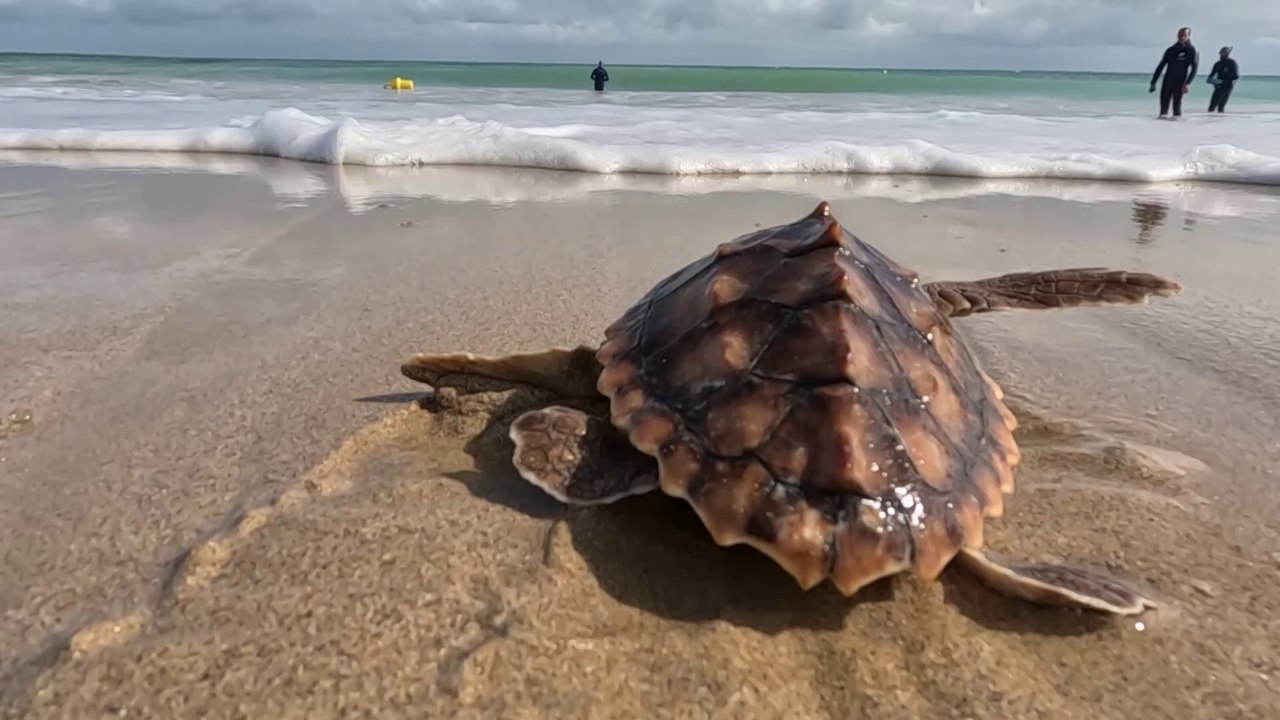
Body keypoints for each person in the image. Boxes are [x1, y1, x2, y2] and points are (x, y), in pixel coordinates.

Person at [1149, 27, 1199, 118]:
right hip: (1168, 80)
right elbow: (1160, 66)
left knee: (1176, 105)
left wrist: (1187, 83)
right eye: (1180, 35)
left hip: (1180, 81)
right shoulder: (1171, 50)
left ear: (1188, 36)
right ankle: (1162, 128)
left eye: (1184, 35)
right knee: (1163, 106)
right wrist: (1153, 82)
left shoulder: (1192, 50)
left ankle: (1177, 128)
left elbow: (1194, 69)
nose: (1181, 37)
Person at [1206, 46, 1240, 113]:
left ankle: (1221, 122)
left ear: (1228, 53)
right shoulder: (1217, 64)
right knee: (1211, 107)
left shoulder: (1232, 63)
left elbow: (1236, 76)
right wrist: (1213, 81)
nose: (1222, 54)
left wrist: (1225, 81)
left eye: (1224, 53)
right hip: (1218, 86)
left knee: (1221, 107)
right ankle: (1210, 122)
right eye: (1221, 52)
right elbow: (1210, 76)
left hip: (1227, 86)